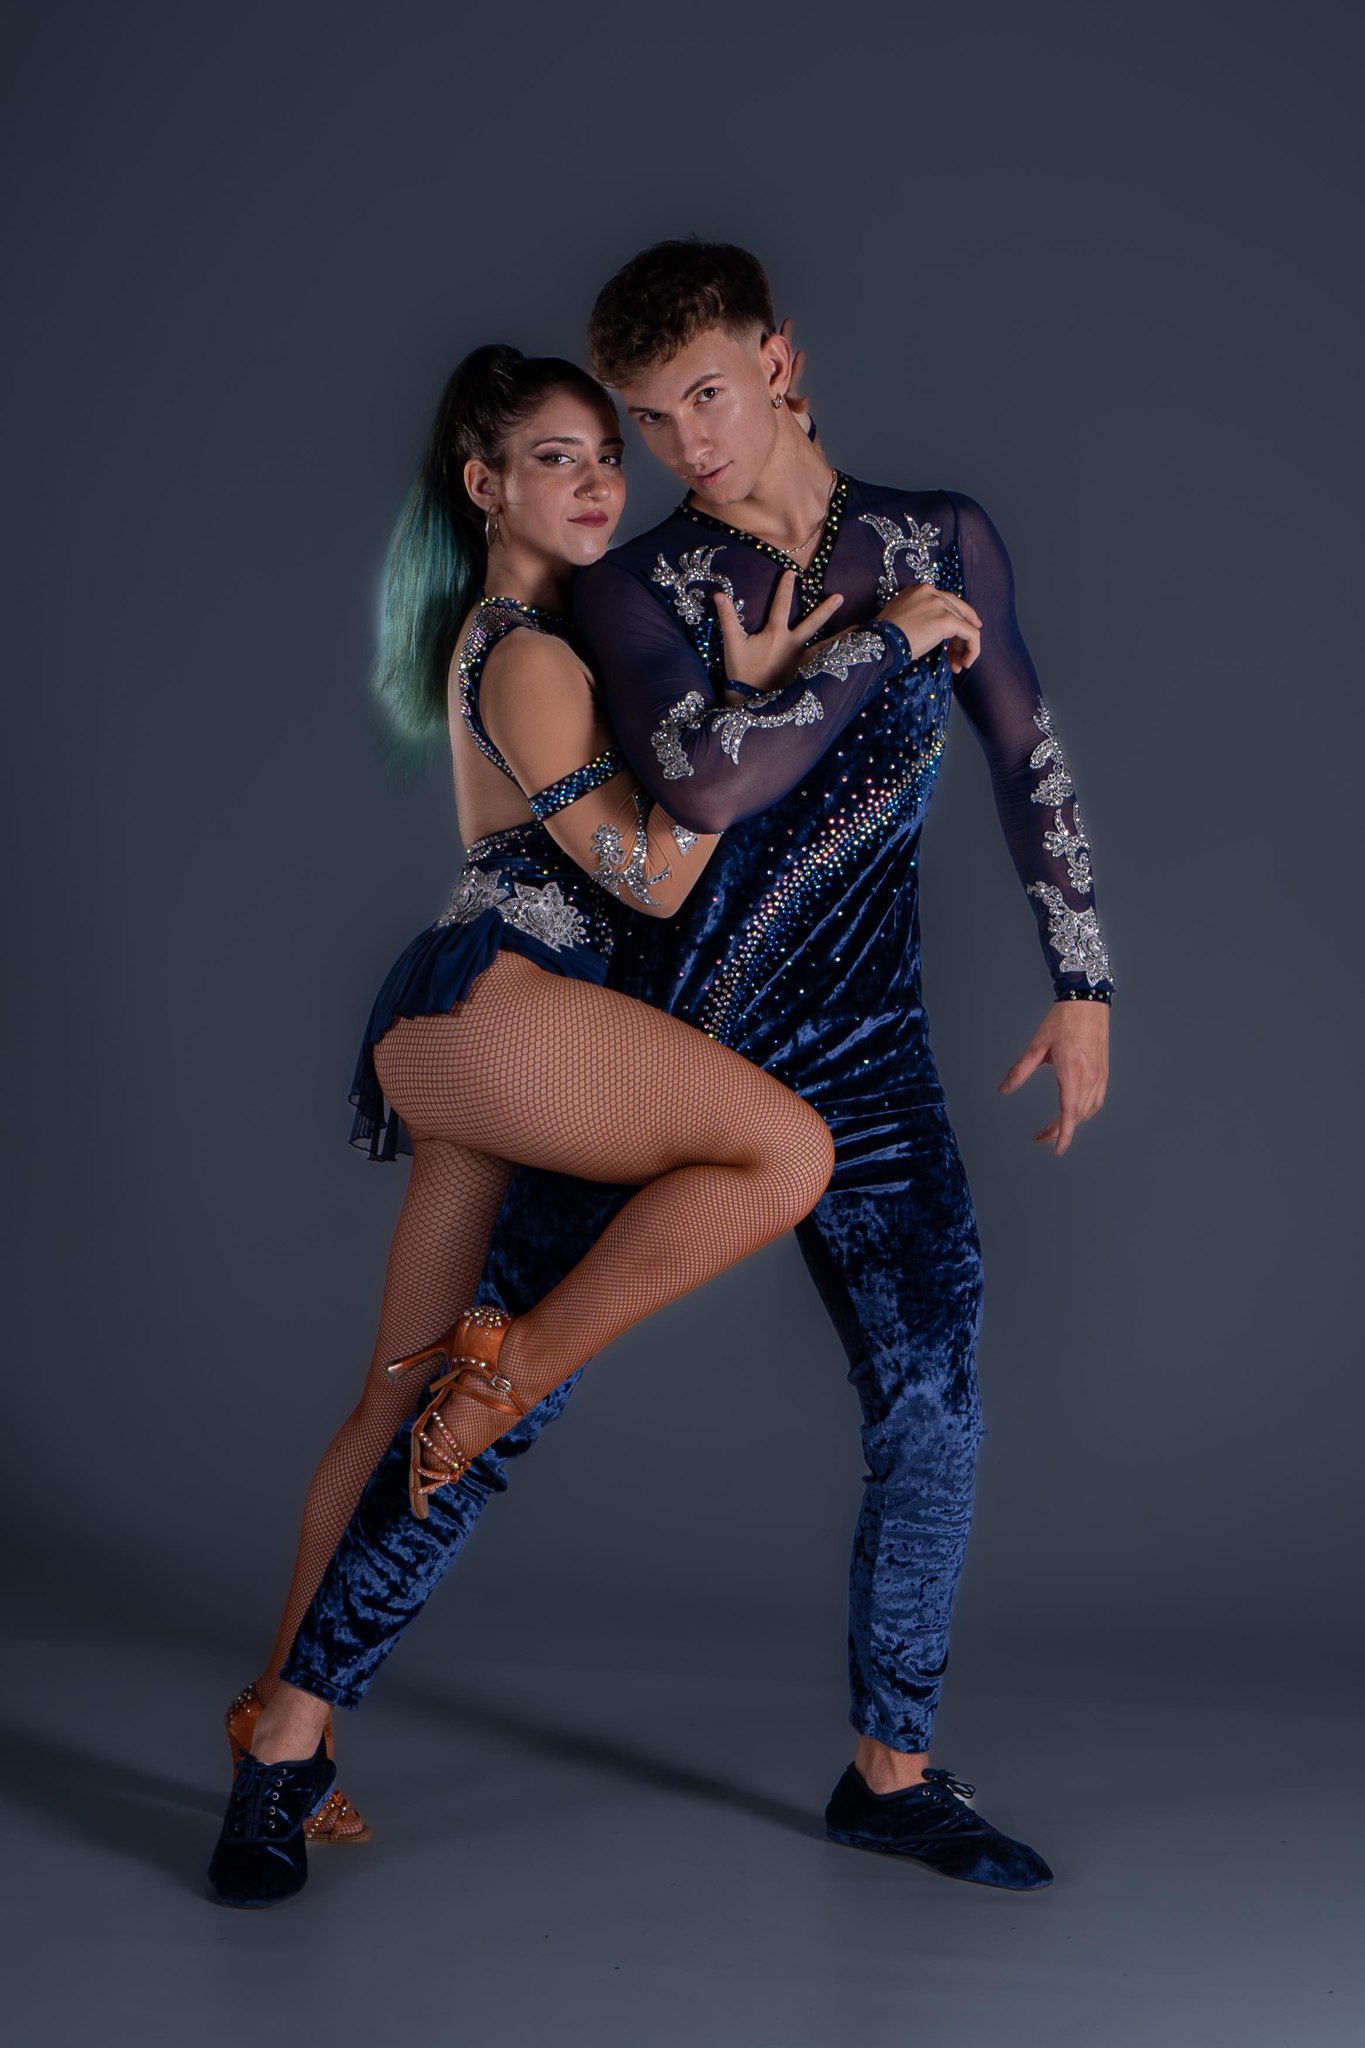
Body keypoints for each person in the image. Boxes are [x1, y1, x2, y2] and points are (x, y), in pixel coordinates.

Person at [254, 241, 1116, 1899]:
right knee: (487, 1399)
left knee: (933, 1400)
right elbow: (705, 791)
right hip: (676, 1034)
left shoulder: (939, 537)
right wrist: (872, 646)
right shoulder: (635, 586)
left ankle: (890, 1775)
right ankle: (288, 1739)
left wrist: (1080, 980)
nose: (683, 447)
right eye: (647, 421)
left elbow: (1025, 749)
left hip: (869, 1052)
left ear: (779, 360)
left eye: (703, 399)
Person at [207, 341, 863, 1908]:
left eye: (602, 455)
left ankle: (277, 1744)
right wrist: (751, 707)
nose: (595, 481)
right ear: (482, 484)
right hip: (501, 1021)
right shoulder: (532, 657)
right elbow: (658, 882)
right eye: (555, 457)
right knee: (788, 1153)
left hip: (457, 1039)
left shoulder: (521, 641)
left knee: (385, 1406)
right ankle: (514, 1374)